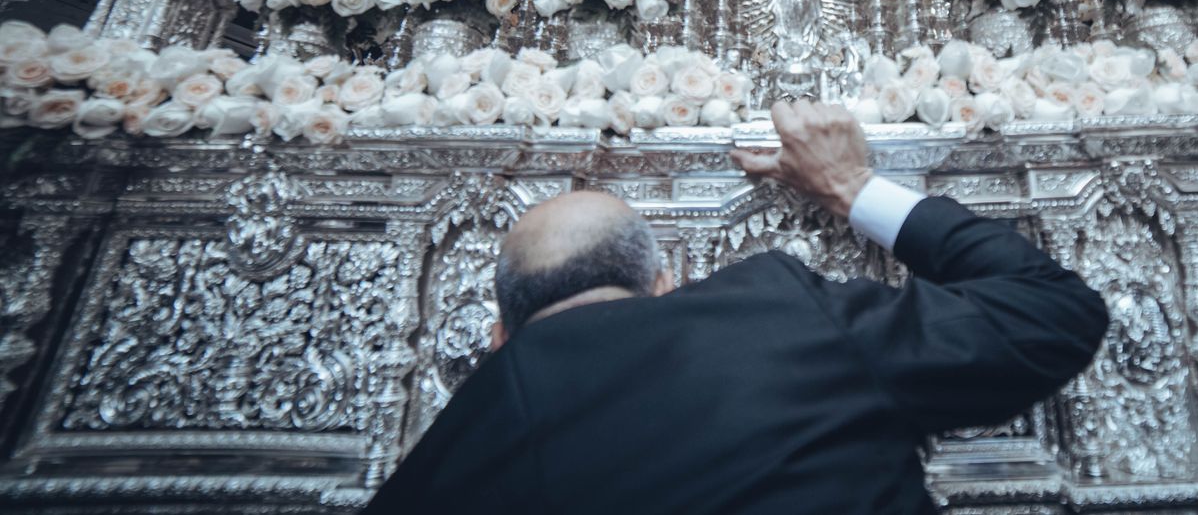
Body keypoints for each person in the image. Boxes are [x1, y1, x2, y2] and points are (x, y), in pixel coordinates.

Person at [364, 101, 1108, 514]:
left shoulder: (442, 467)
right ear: (660, 285)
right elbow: (1050, 314)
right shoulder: (776, 314)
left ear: (498, 337)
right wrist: (852, 187)